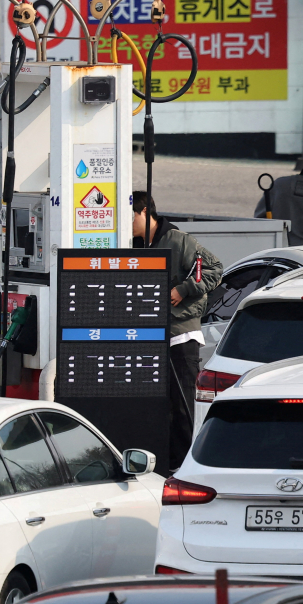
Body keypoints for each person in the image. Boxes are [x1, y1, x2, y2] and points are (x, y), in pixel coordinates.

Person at [132, 192, 224, 470]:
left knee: (182, 404)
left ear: (145, 212)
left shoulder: (178, 240)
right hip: (148, 338)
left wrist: (183, 289)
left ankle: (183, 465)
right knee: (155, 405)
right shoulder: (132, 244)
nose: (126, 223)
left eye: (131, 216)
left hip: (181, 336)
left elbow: (213, 269)